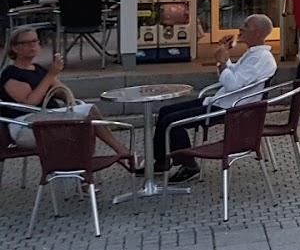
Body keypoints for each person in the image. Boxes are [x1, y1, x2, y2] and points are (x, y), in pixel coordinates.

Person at [149, 14, 277, 183]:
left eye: (246, 25)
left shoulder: (261, 59)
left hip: (230, 109)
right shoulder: (252, 55)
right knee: (165, 112)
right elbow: (232, 75)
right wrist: (224, 56)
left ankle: (188, 165)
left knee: (173, 123)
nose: (241, 28)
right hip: (220, 101)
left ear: (258, 33)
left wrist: (223, 63)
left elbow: (232, 84)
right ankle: (161, 161)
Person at [0, 26, 134, 164]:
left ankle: (84, 170)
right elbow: (29, 103)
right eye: (26, 43)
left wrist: (63, 92)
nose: (32, 45)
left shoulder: (38, 69)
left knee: (85, 119)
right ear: (15, 48)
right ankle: (120, 154)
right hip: (26, 126)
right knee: (88, 113)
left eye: (35, 41)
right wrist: (51, 75)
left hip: (48, 119)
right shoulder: (11, 74)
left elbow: (63, 91)